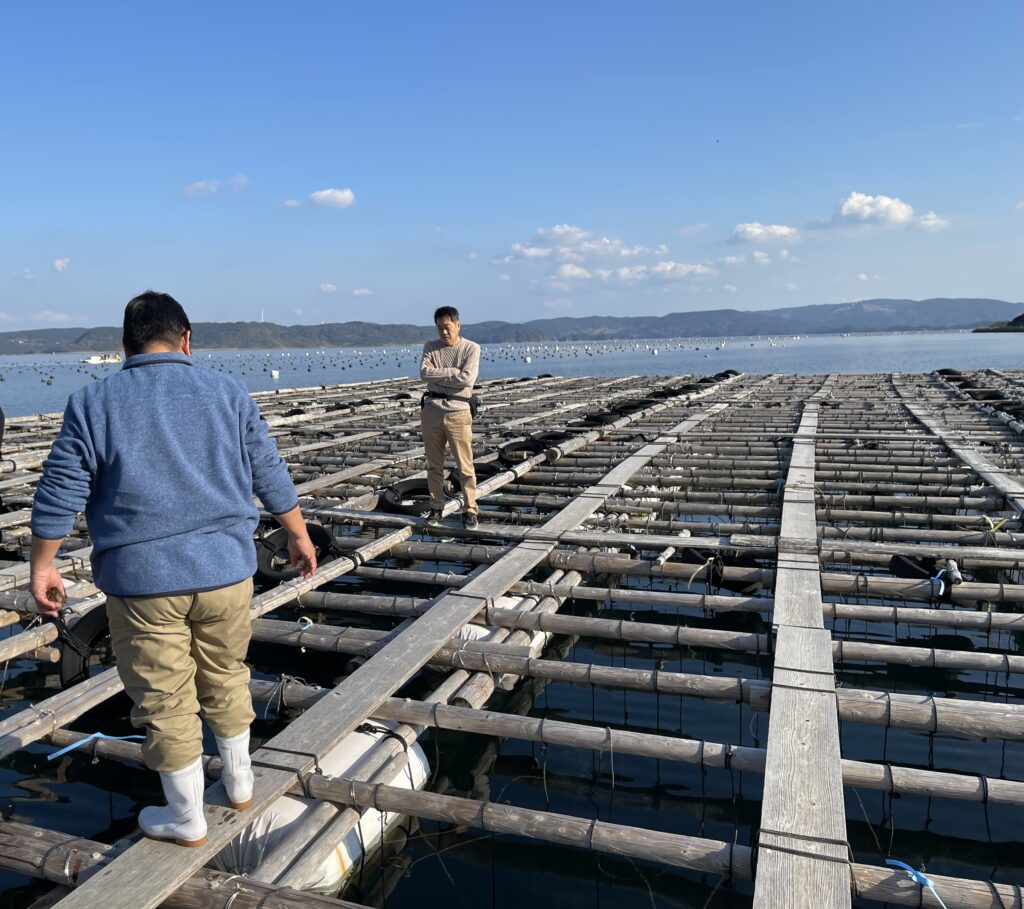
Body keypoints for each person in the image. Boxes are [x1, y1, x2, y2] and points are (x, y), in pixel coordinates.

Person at [29, 291, 317, 848]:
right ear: (186, 340)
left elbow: (60, 491)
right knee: (227, 673)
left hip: (142, 582)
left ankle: (186, 816)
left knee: (163, 695)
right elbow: (269, 472)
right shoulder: (227, 392)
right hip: (227, 572)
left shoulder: (93, 402)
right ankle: (238, 783)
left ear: (124, 347)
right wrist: (299, 535)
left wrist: (43, 565)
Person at [419, 306, 480, 529]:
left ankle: (470, 509)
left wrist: (441, 374)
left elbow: (466, 379)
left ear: (457, 325)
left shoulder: (472, 348)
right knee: (434, 464)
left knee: (465, 465)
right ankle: (436, 506)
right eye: (439, 328)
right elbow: (424, 373)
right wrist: (452, 371)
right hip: (432, 411)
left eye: (447, 327)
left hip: (459, 411)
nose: (443, 333)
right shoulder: (430, 347)